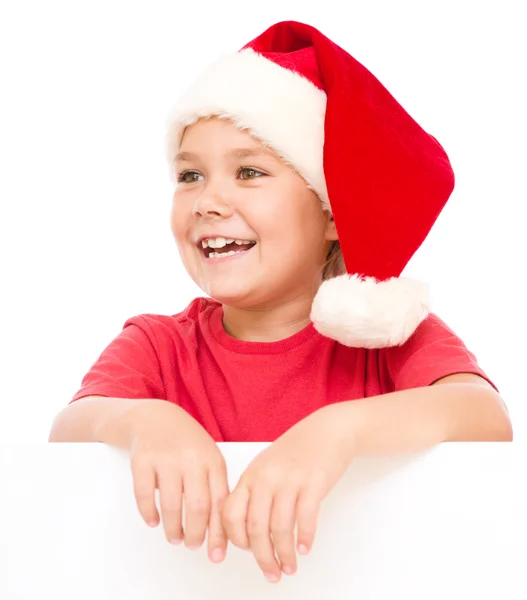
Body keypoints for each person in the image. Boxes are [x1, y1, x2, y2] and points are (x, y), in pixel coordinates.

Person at [48, 20, 513, 584]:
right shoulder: (157, 345)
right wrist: (147, 418)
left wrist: (339, 432)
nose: (208, 200)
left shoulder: (387, 338)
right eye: (190, 174)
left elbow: (485, 417)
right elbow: (69, 429)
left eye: (249, 172)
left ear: (332, 214)